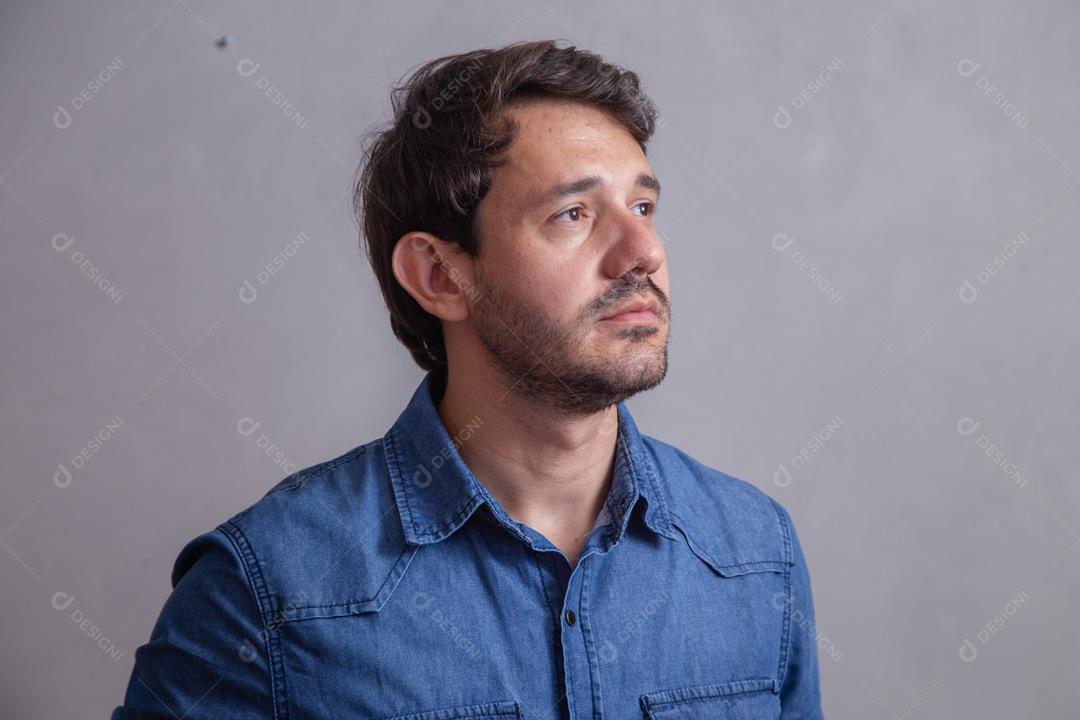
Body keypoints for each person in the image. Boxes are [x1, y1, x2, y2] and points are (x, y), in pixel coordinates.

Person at [112, 39, 824, 719]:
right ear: (441, 276)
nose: (642, 252)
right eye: (573, 214)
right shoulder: (266, 589)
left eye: (643, 207)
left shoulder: (756, 552)